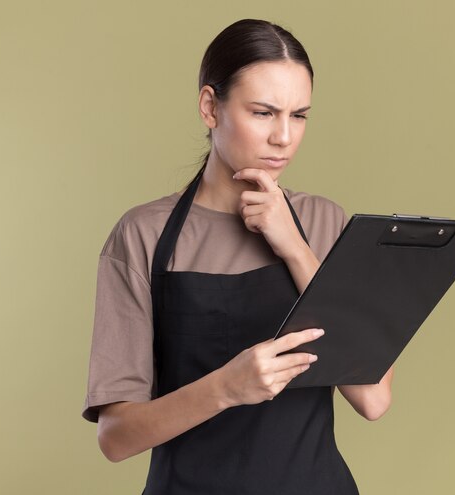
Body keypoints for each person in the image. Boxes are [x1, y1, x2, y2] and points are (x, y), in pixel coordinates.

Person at [82, 18, 394, 494]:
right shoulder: (142, 235)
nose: (284, 137)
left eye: (300, 115)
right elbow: (116, 437)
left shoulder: (326, 223)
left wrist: (293, 245)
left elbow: (373, 399)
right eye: (264, 113)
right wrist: (225, 388)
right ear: (211, 107)